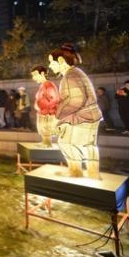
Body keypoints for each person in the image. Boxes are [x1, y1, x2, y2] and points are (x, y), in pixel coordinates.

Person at [48, 43, 102, 179]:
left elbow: (75, 100)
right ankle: (93, 174)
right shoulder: (76, 73)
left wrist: (58, 116)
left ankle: (75, 172)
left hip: (82, 117)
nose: (50, 66)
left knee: (66, 143)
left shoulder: (70, 76)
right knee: (88, 146)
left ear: (61, 61)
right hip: (90, 115)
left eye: (52, 62)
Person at [31, 66, 60, 147]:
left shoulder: (48, 85)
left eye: (35, 75)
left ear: (42, 73)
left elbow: (53, 99)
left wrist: (46, 110)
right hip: (43, 113)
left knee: (46, 129)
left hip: (47, 113)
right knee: (44, 130)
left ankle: (47, 143)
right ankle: (45, 142)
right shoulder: (43, 85)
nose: (33, 78)